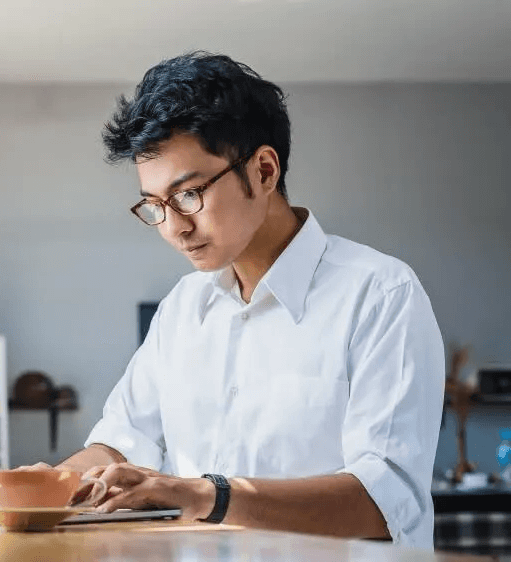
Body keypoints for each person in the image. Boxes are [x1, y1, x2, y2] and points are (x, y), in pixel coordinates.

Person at [49, 52, 444, 549]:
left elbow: (385, 503)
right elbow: (122, 443)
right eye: (155, 206)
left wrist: (208, 495)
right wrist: (47, 483)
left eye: (189, 194)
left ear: (263, 170)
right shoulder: (183, 308)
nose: (174, 227)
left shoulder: (381, 295)